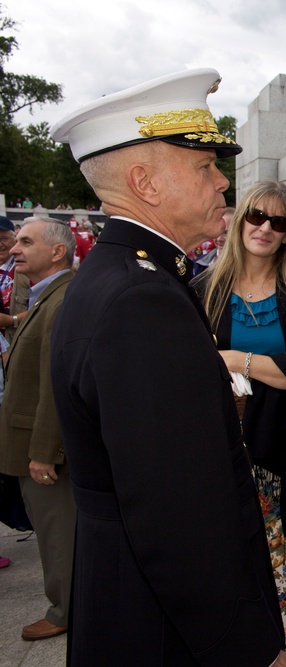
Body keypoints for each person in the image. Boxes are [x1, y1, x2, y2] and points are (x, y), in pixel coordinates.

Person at [49, 68, 286, 666]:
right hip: (163, 628)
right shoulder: (141, 298)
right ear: (145, 184)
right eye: (205, 166)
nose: (221, 182)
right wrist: (251, 650)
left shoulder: (124, 277)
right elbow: (176, 514)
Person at [192, 180, 286, 666]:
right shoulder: (202, 290)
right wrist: (275, 366)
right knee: (228, 576)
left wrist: (233, 358)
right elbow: (188, 369)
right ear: (238, 218)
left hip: (283, 457)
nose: (265, 228)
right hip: (219, 457)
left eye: (280, 222)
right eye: (256, 216)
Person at [0, 217, 76, 641]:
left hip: (43, 448)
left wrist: (44, 451)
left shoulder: (61, 299)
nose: (15, 249)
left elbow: (53, 383)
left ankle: (65, 608)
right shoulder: (46, 295)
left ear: (57, 251)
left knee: (57, 532)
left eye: (26, 242)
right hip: (32, 439)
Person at [193, 206, 233, 275]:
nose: (219, 239)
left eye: (226, 233)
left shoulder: (248, 267)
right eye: (216, 232)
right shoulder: (200, 264)